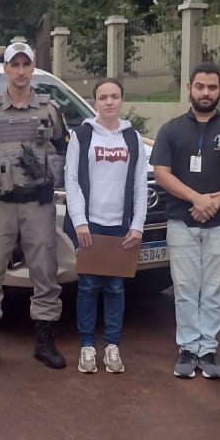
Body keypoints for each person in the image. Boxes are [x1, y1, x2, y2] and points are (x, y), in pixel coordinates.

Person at [150, 62, 220, 379]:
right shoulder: (171, 130)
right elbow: (161, 173)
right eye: (200, 86)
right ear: (189, 89)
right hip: (181, 222)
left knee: (212, 290)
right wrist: (197, 199)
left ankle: (208, 349)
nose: (206, 92)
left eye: (212, 87)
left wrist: (215, 202)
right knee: (185, 289)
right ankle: (187, 348)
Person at [0, 40, 69, 370]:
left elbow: (61, 149)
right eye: (16, 65)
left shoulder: (49, 109)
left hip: (37, 205)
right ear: (6, 69)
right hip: (0, 205)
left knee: (45, 272)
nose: (22, 71)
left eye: (27, 65)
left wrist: (47, 173)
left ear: (33, 68)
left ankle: (44, 341)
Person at [63, 78, 147, 374]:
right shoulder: (82, 136)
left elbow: (139, 184)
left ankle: (112, 346)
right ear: (94, 101)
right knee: (87, 287)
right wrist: (80, 222)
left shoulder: (132, 138)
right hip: (91, 226)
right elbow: (71, 180)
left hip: (120, 226)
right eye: (103, 97)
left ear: (122, 100)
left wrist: (137, 225)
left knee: (116, 288)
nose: (109, 102)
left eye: (114, 97)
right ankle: (87, 346)